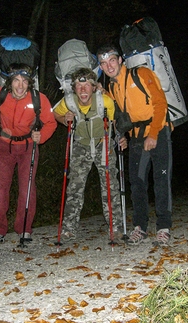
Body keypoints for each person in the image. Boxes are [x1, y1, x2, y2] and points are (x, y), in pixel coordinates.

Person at [0, 63, 57, 244]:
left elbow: (51, 122)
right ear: (9, 82)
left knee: (27, 187)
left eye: (24, 81)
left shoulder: (38, 99)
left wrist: (41, 136)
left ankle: (24, 229)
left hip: (28, 146)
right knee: (1, 186)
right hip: (4, 145)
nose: (20, 86)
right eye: (16, 81)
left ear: (30, 83)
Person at [97, 44, 173, 246]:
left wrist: (154, 134)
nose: (109, 66)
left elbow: (160, 103)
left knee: (161, 179)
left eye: (111, 60)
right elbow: (119, 116)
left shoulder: (141, 73)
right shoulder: (113, 87)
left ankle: (164, 227)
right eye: (103, 63)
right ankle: (140, 227)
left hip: (159, 131)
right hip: (136, 137)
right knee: (137, 183)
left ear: (120, 59)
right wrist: (122, 136)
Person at [53, 67, 127, 242]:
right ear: (74, 88)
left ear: (94, 87)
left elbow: (116, 121)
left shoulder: (105, 101)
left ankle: (115, 227)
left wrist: (121, 137)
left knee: (110, 185)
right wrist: (64, 119)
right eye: (79, 86)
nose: (83, 90)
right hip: (81, 145)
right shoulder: (68, 101)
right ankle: (68, 229)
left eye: (87, 85)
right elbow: (55, 113)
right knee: (74, 187)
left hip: (104, 143)